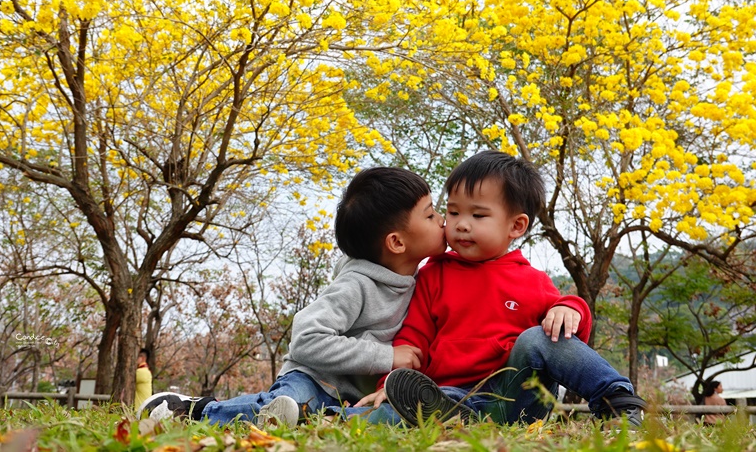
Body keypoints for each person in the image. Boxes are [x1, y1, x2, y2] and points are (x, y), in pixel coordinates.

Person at [350, 150, 646, 427]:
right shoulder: (433, 274)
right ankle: (338, 415)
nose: (462, 224)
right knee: (397, 409)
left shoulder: (531, 280)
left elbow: (567, 335)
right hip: (447, 397)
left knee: (537, 338)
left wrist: (569, 308)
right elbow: (412, 339)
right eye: (453, 212)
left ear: (516, 226)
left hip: (518, 397)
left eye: (478, 215)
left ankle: (617, 400)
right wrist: (389, 383)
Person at [137, 166, 447, 426]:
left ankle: (315, 417)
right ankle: (193, 410)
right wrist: (387, 357)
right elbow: (306, 339)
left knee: (338, 417)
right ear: (396, 242)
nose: (443, 219)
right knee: (291, 404)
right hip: (310, 379)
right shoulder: (357, 285)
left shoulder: (421, 281)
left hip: (348, 396)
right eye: (431, 215)